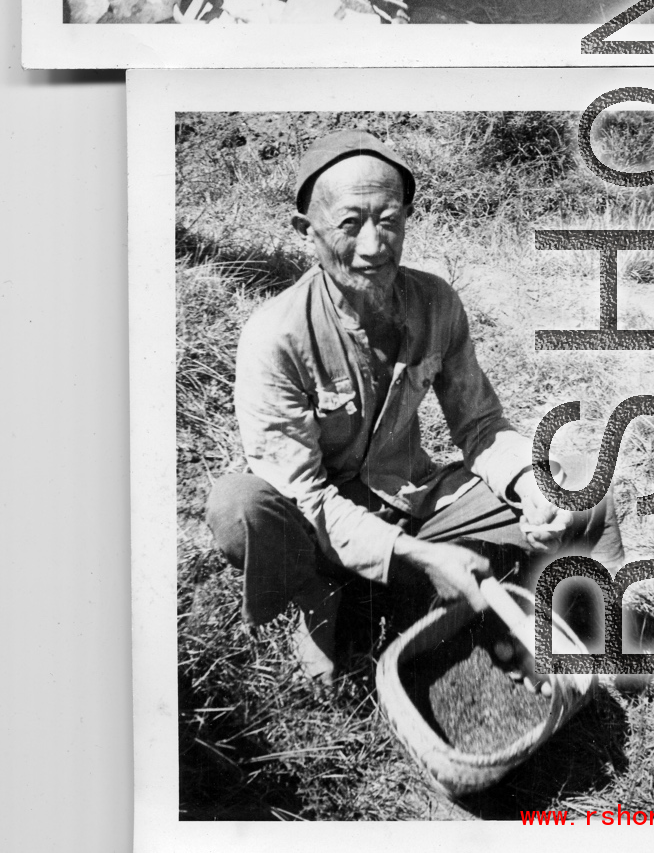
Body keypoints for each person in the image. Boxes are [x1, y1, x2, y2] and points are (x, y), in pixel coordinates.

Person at [206, 131, 625, 684]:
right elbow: (303, 496)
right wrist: (416, 556)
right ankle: (321, 595)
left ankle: (597, 621)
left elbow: (480, 424)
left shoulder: (436, 301)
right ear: (307, 233)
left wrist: (530, 488)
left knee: (575, 486)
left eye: (390, 220)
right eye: (350, 224)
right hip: (320, 527)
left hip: (415, 498)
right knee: (241, 507)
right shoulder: (275, 335)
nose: (375, 245)